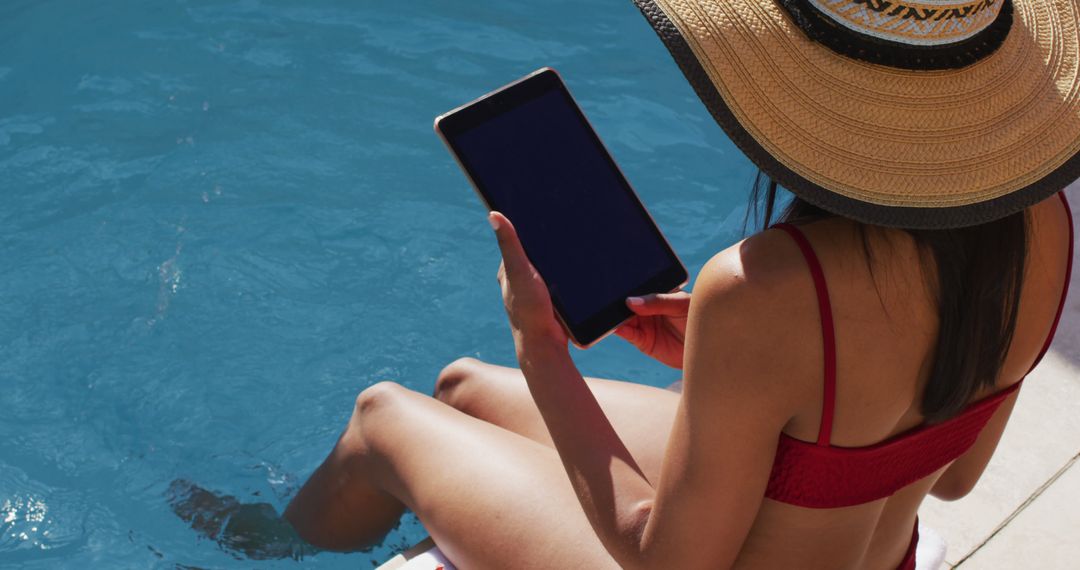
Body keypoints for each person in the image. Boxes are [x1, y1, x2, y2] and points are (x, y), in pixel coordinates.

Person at [284, 0, 1079, 567]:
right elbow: (956, 475)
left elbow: (663, 560)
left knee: (383, 416)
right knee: (459, 390)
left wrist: (541, 349)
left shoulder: (766, 287)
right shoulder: (1041, 224)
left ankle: (249, 550)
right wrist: (753, 365)